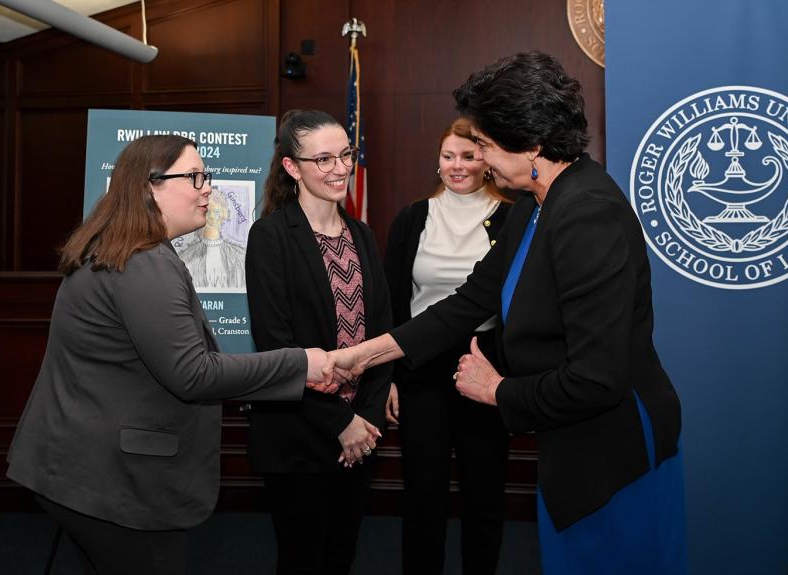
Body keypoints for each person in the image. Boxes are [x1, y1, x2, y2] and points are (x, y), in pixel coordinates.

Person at [325, 52, 687, 575]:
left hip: (615, 451)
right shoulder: (536, 207)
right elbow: (468, 302)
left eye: (486, 145)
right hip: (571, 442)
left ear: (531, 143)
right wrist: (364, 355)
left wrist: (496, 391)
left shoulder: (587, 214)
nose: (480, 159)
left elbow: (597, 378)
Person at [6, 135, 335, 575]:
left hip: (78, 467)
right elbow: (192, 373)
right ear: (150, 186)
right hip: (116, 482)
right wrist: (302, 363)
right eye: (194, 177)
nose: (208, 188)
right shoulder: (142, 263)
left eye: (207, 176)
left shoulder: (117, 249)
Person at [245, 109, 393, 575]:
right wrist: (340, 423)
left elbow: (383, 335)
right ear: (292, 167)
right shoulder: (270, 236)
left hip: (360, 435)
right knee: (301, 560)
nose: (340, 168)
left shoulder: (362, 234)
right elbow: (277, 346)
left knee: (340, 557)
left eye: (345, 155)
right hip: (298, 434)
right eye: (323, 159)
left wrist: (366, 423)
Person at [383, 117, 511, 575]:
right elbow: (392, 301)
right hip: (420, 368)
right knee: (423, 492)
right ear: (438, 162)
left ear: (487, 161)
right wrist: (389, 377)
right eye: (448, 156)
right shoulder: (413, 218)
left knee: (484, 492)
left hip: (485, 367)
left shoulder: (514, 219)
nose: (457, 165)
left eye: (469, 155)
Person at [180, 187, 248, 289]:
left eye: (216, 212)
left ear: (223, 214)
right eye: (208, 212)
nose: (212, 217)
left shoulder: (239, 256)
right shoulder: (185, 258)